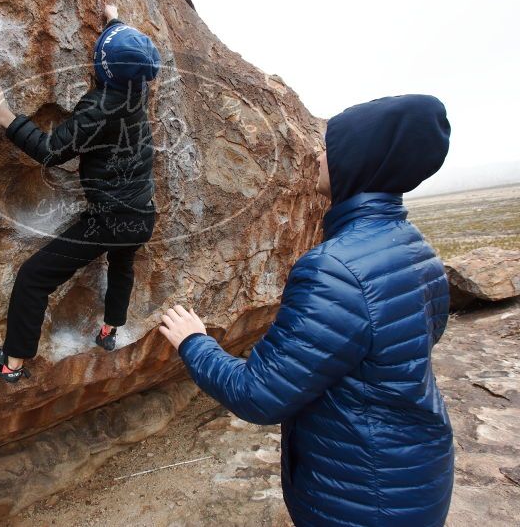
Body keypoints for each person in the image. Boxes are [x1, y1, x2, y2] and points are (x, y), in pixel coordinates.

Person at [159, 95, 454, 526]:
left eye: (331, 148)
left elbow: (259, 395)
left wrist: (194, 342)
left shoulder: (335, 269)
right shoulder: (415, 247)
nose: (318, 154)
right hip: (413, 473)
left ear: (360, 161)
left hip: (361, 496)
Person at [0, 4, 161, 383]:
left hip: (109, 220)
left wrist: (6, 116)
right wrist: (114, 20)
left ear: (105, 70)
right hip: (142, 213)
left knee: (33, 277)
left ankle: (12, 362)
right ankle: (109, 330)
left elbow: (51, 151)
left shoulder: (100, 110)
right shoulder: (138, 86)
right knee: (121, 265)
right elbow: (131, 58)